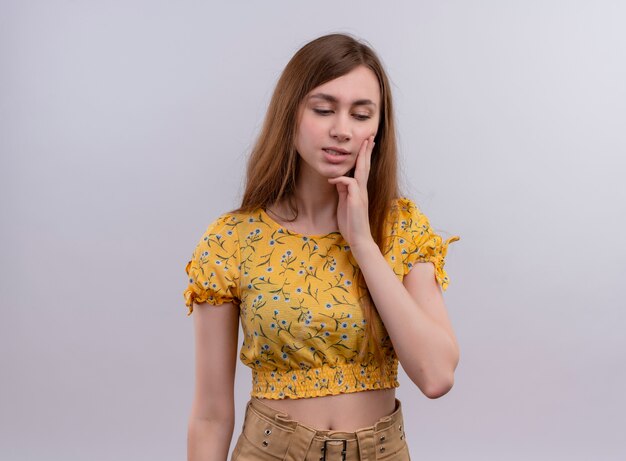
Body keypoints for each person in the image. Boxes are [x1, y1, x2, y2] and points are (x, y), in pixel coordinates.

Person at [183, 33, 460, 461]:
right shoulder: (230, 241)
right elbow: (211, 414)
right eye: (324, 109)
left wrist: (363, 244)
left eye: (361, 114)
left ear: (378, 128)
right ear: (290, 113)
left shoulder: (400, 227)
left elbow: (437, 375)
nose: (342, 130)